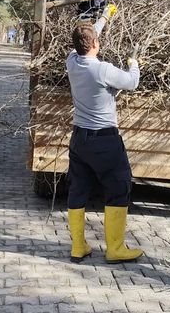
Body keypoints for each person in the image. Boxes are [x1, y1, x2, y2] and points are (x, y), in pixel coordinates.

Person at [64, 22, 144, 264]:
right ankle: (116, 249)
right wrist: (134, 64)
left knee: (78, 189)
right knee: (119, 187)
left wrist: (102, 19)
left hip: (79, 139)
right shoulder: (102, 69)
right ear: (96, 44)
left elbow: (85, 37)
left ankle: (78, 246)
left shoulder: (72, 61)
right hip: (104, 141)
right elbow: (132, 83)